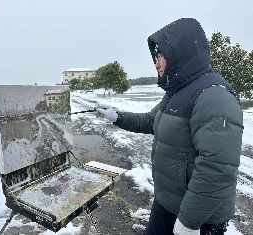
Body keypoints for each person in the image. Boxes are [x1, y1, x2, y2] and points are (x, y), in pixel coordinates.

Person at [95, 18, 243, 235]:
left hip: (200, 219)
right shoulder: (177, 93)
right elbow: (150, 121)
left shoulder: (214, 97)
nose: (156, 63)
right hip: (168, 203)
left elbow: (217, 169)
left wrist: (189, 223)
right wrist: (117, 117)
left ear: (179, 54)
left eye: (161, 56)